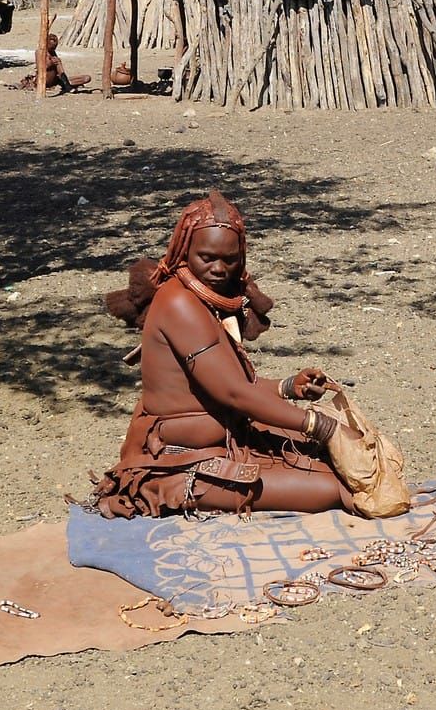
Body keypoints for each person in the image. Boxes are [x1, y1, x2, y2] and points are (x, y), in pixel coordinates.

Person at [89, 191, 357, 517]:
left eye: (229, 260)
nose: (219, 269)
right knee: (334, 489)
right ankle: (160, 489)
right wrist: (318, 425)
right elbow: (233, 393)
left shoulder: (210, 299)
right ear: (184, 251)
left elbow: (234, 384)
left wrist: (288, 387)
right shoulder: (179, 304)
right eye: (207, 257)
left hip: (228, 440)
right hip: (180, 460)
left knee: (336, 466)